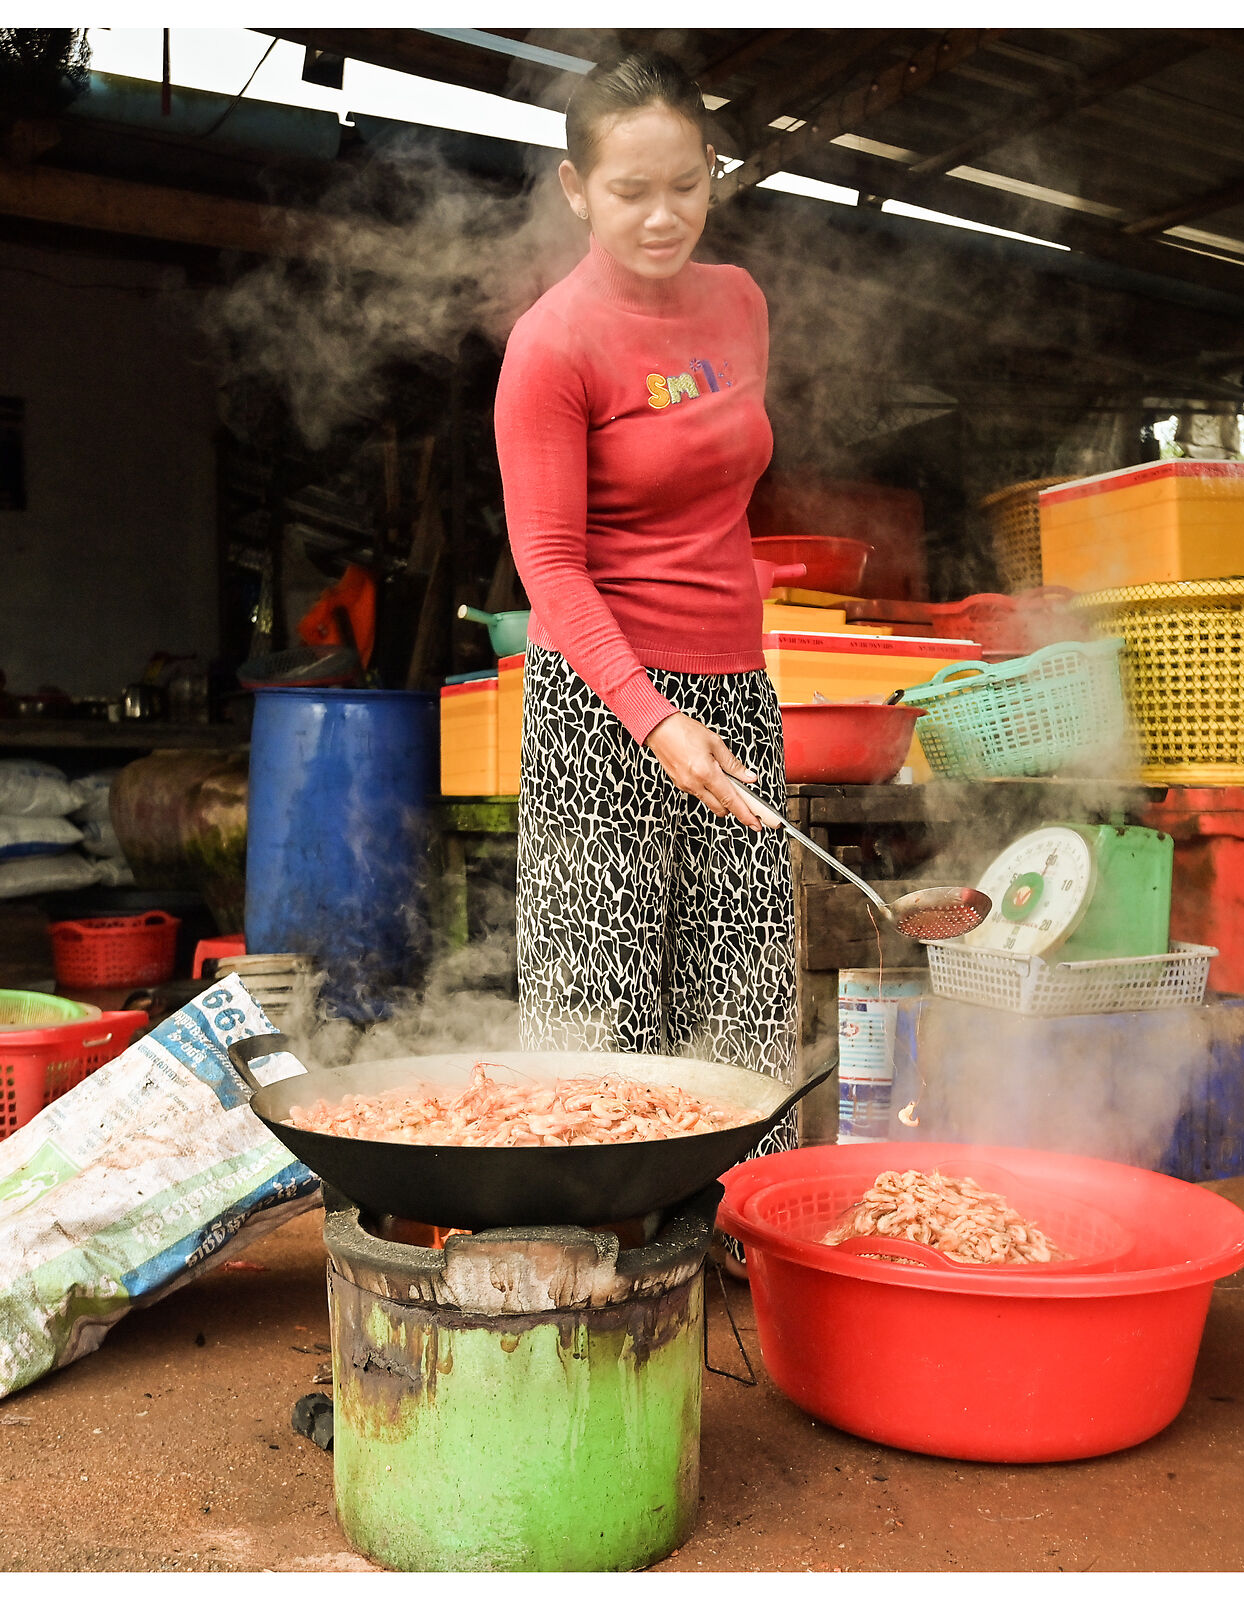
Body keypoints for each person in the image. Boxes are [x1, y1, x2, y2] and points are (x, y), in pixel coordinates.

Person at [494, 48, 795, 1136]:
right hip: (600, 703)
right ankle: (603, 1251)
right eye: (630, 191)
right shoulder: (552, 346)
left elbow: (722, 502)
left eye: (687, 183)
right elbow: (550, 565)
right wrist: (653, 717)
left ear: (713, 169)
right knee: (600, 997)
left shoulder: (740, 304)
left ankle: (741, 1229)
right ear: (576, 190)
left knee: (744, 984)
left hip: (737, 687)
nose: (665, 217)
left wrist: (714, 694)